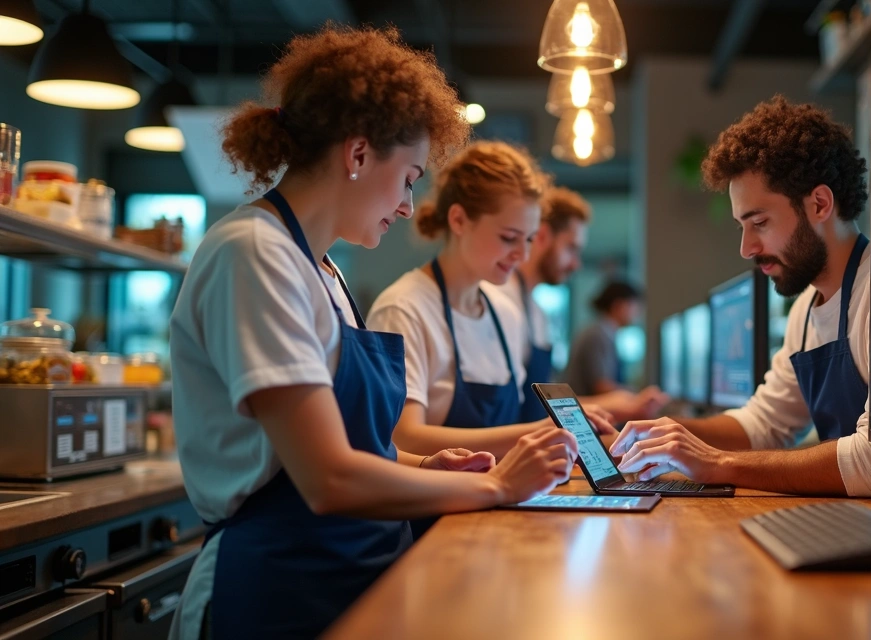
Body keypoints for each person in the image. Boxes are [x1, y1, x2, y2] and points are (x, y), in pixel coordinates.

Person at [167, 27, 577, 640]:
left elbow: (354, 447)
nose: (411, 205)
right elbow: (327, 478)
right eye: (410, 176)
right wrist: (496, 485)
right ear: (358, 156)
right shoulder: (254, 252)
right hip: (274, 591)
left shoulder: (321, 268)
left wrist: (429, 467)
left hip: (348, 579)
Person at [609, 96, 871, 507]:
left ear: (819, 203)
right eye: (742, 227)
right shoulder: (805, 310)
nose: (746, 248)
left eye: (759, 223)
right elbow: (764, 425)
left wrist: (719, 464)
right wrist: (662, 434)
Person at [367, 142, 614, 463]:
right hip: (437, 508)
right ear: (458, 220)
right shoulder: (404, 309)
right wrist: (534, 434)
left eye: (528, 239)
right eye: (509, 238)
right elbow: (405, 438)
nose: (523, 255)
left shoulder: (505, 314)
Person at [489, 187, 666, 422]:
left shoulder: (538, 313)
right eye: (571, 248)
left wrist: (612, 405)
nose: (576, 264)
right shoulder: (497, 302)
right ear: (541, 235)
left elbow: (540, 407)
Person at [565, 280, 644, 396]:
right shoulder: (597, 335)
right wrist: (637, 394)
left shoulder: (604, 333)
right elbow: (601, 386)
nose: (638, 313)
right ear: (619, 305)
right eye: (634, 306)